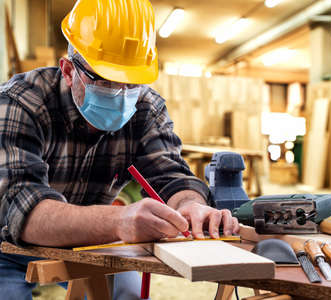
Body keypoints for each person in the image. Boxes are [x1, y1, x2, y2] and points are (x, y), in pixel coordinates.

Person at [0, 0, 239, 299]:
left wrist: (188, 205)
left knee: (129, 294)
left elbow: (171, 174)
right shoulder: (21, 103)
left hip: (90, 240)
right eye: (106, 80)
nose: (123, 94)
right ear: (68, 70)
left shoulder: (146, 107)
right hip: (6, 246)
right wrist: (119, 222)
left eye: (132, 82)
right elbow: (22, 211)